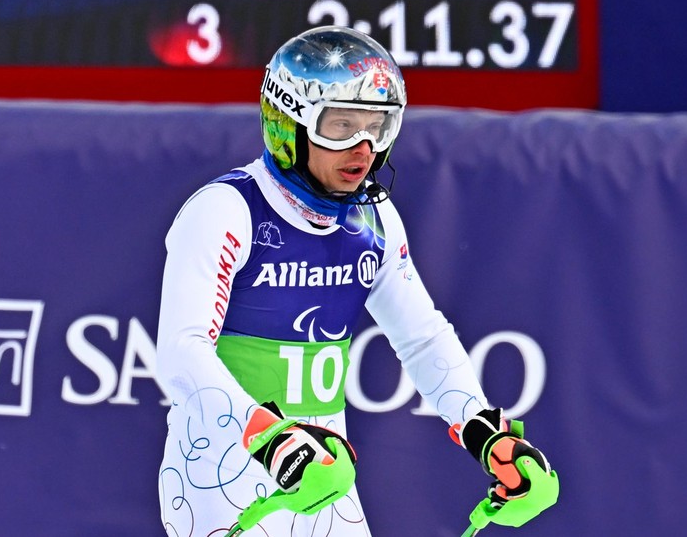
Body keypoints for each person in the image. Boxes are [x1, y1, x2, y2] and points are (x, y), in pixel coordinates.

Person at [156, 26, 555, 536]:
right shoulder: (225, 210)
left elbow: (421, 337)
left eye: (378, 127)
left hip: (322, 468)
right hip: (225, 469)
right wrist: (270, 437)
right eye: (341, 126)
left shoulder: (374, 219)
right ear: (289, 124)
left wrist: (484, 430)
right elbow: (181, 351)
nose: (363, 148)